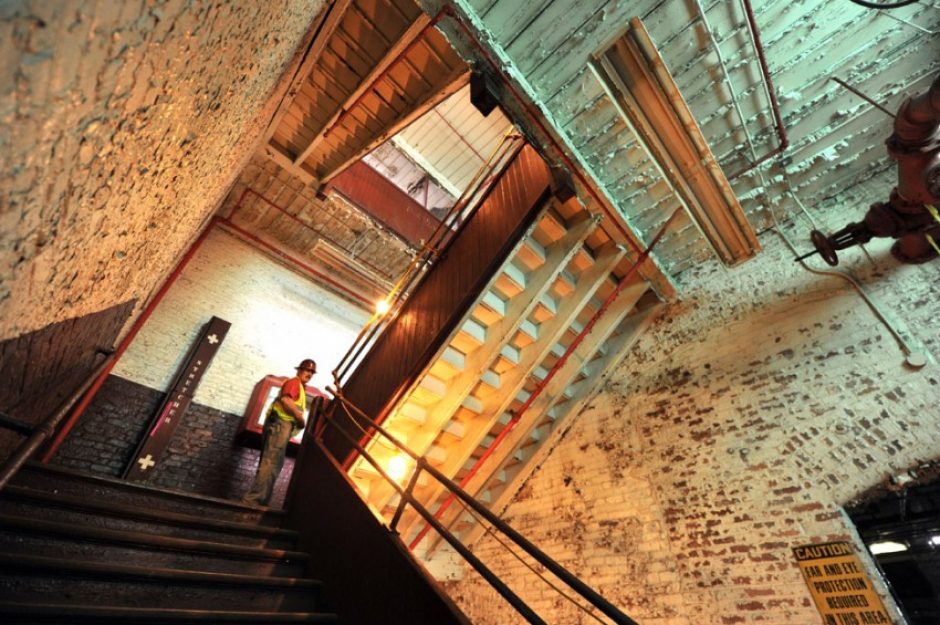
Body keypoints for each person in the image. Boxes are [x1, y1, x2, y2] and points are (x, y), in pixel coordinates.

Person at [242, 358, 316, 506]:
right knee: (271, 462)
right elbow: (286, 401)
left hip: (282, 427)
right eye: (307, 370)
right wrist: (300, 417)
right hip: (280, 426)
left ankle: (260, 501)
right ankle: (253, 500)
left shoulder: (300, 387)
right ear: (299, 370)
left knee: (274, 464)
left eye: (311, 372)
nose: (309, 374)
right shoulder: (293, 383)